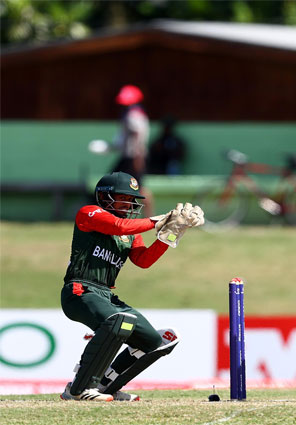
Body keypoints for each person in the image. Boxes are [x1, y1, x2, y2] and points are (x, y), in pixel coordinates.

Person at [60, 171, 203, 402]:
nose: (129, 204)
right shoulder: (89, 213)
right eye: (123, 198)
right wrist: (160, 219)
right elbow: (119, 226)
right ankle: (79, 389)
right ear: (105, 197)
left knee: (157, 342)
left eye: (132, 199)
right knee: (118, 320)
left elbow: (143, 261)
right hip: (79, 292)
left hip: (105, 295)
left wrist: (170, 234)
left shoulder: (130, 233)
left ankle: (107, 388)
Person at [112, 84, 154, 215]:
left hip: (134, 156)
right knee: (116, 184)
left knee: (137, 188)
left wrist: (137, 157)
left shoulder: (133, 114)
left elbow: (137, 135)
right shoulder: (132, 113)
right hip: (129, 156)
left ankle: (151, 218)